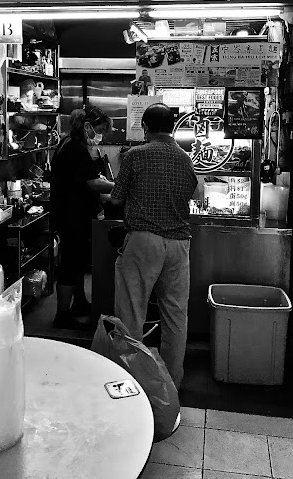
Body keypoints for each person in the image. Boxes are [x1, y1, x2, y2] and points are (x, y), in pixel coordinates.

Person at [110, 103, 198, 389]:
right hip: (179, 244)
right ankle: (172, 383)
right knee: (175, 315)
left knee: (132, 312)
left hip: (144, 241)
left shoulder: (135, 156)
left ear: (145, 127)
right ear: (172, 127)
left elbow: (116, 198)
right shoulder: (186, 159)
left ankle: (130, 379)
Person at [50, 106, 115, 329]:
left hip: (74, 212)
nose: (101, 136)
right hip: (71, 215)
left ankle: (78, 303)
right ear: (87, 126)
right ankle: (62, 314)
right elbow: (92, 182)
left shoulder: (74, 144)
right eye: (99, 130)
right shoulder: (74, 149)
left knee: (77, 261)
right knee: (70, 263)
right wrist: (118, 187)